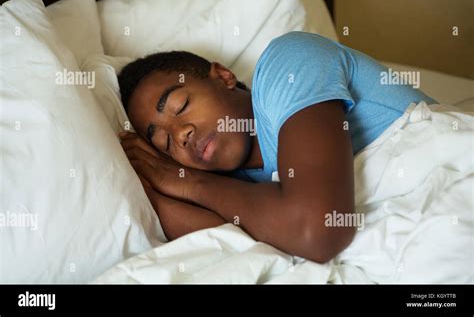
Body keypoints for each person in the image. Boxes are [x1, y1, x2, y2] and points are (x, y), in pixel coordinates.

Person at [117, 31, 435, 263]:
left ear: (223, 76)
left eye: (181, 104)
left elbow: (320, 230)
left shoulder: (287, 65)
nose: (181, 134)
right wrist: (150, 184)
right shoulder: (234, 186)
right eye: (165, 143)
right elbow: (233, 248)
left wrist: (192, 183)